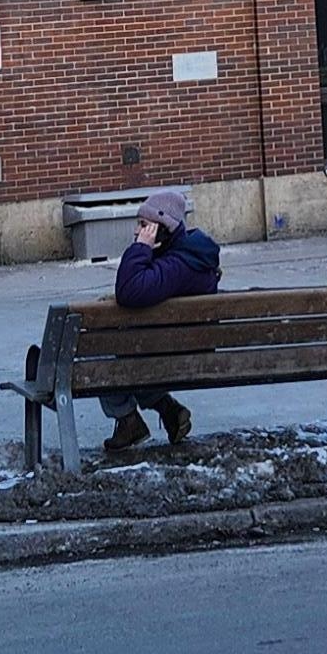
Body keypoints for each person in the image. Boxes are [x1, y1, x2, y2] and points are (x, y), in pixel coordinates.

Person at [104, 189, 218, 456]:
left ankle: (128, 420)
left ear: (163, 228)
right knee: (127, 350)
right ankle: (168, 410)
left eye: (144, 226)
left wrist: (141, 248)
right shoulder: (189, 256)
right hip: (180, 349)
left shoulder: (179, 265)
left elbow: (129, 291)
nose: (137, 232)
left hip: (174, 356)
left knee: (102, 352)